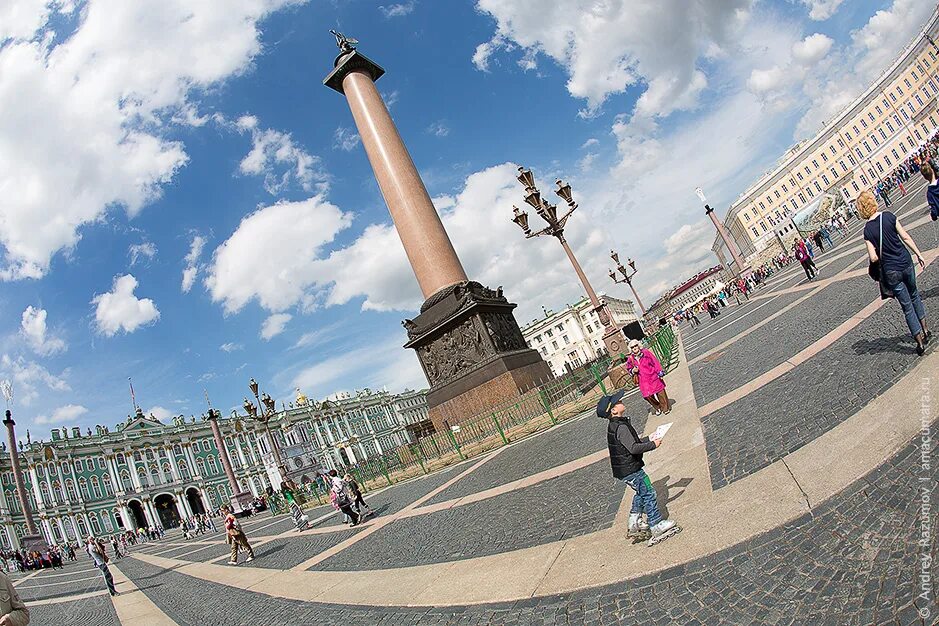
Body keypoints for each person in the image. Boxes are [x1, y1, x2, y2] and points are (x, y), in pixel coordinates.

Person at [596, 391, 679, 546]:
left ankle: (634, 521)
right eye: (618, 401)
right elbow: (633, 448)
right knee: (649, 492)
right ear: (614, 410)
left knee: (641, 492)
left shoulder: (617, 424)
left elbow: (630, 442)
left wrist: (649, 438)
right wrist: (652, 445)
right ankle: (656, 525)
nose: (621, 400)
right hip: (631, 469)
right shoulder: (620, 427)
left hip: (625, 469)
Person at [859, 190, 930, 355]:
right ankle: (926, 330)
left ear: (862, 209)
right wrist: (918, 254)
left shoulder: (867, 230)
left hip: (891, 271)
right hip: (905, 263)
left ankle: (919, 343)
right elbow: (905, 237)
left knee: (906, 306)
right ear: (873, 202)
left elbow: (873, 257)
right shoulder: (889, 216)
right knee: (915, 296)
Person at [624, 339, 670, 415]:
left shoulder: (646, 352)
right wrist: (633, 370)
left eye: (636, 345)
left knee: (660, 392)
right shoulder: (630, 358)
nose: (634, 348)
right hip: (643, 380)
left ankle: (665, 408)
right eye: (632, 347)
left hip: (653, 375)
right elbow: (629, 368)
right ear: (630, 349)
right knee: (647, 396)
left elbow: (655, 362)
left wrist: (659, 372)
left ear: (639, 346)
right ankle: (657, 407)